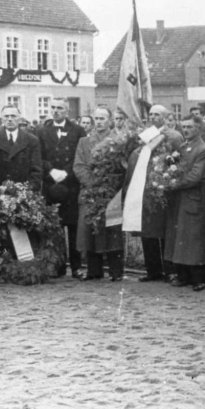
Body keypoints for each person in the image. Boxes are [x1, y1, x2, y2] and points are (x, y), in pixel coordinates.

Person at [124, 105, 183, 283]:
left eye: (157, 114)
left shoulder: (173, 135)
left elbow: (180, 159)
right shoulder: (146, 134)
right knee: (148, 231)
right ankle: (152, 270)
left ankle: (170, 270)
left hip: (163, 189)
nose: (153, 117)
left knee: (165, 231)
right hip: (145, 188)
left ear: (166, 117)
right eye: (151, 114)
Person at [37, 98, 87, 279]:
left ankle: (76, 267)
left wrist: (65, 172)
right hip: (51, 184)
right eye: (53, 107)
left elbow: (80, 155)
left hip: (70, 183)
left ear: (67, 111)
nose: (55, 111)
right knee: (54, 227)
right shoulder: (41, 131)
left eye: (60, 108)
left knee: (73, 226)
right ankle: (57, 267)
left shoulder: (78, 130)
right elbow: (38, 156)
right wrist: (50, 171)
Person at [73, 107, 124, 281]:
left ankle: (116, 272)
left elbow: (122, 167)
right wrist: (93, 183)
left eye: (103, 118)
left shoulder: (118, 141)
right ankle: (94, 270)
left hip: (111, 193)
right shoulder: (84, 142)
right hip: (90, 192)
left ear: (110, 120)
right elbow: (79, 166)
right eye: (97, 118)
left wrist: (108, 183)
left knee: (112, 231)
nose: (99, 122)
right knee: (90, 232)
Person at [164, 115, 205, 292]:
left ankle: (199, 277)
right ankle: (183, 275)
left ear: (199, 128)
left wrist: (173, 184)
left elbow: (195, 176)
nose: (185, 130)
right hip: (179, 199)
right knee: (180, 238)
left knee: (194, 238)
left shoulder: (203, 149)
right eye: (183, 127)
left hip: (192, 198)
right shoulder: (182, 147)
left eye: (190, 127)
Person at [0, 105, 42, 195]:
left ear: (19, 119)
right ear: (1, 119)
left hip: (23, 194)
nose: (9, 119)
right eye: (6, 116)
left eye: (13, 116)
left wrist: (28, 190)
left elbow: (36, 170)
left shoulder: (31, 140)